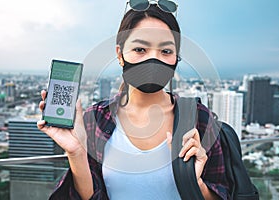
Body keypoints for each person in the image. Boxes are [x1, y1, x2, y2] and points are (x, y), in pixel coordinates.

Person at [38, 2, 229, 200]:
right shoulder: (96, 119)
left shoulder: (198, 118)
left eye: (166, 51)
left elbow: (223, 193)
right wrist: (76, 152)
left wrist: (195, 182)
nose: (154, 59)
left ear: (176, 58)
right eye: (140, 49)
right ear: (120, 55)